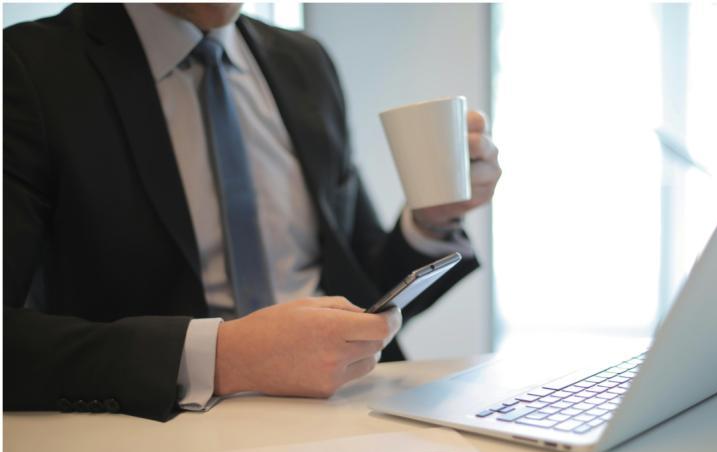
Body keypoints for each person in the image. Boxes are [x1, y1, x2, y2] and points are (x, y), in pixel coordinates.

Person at [3, 3, 501, 421]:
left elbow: (360, 282)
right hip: (154, 433)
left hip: (352, 408)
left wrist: (432, 221)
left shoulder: (305, 62)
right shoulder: (28, 67)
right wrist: (227, 357)